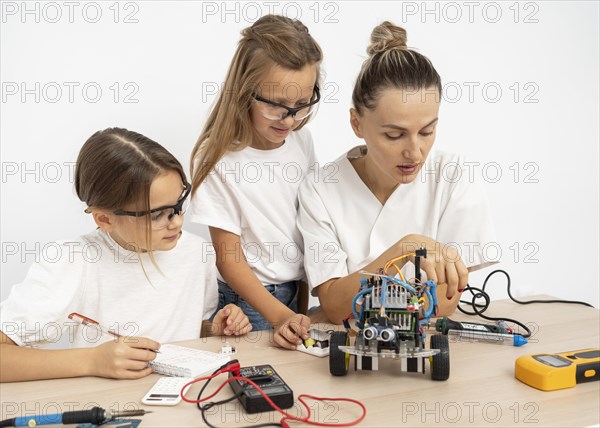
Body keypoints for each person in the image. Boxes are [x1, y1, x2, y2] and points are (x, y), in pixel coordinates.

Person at [0, 128, 251, 382]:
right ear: (105, 219)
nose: (176, 222)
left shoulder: (196, 252)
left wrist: (214, 329)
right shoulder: (72, 261)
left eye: (179, 204)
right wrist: (92, 360)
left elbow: (185, 328)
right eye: (157, 215)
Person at [297, 22, 497, 324]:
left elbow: (445, 302)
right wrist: (406, 248)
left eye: (428, 131)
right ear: (357, 123)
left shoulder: (452, 175)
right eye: (394, 135)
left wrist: (356, 294)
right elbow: (337, 307)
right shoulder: (321, 188)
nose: (415, 152)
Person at [189, 15, 322, 349]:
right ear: (245, 91)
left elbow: (308, 223)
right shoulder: (218, 158)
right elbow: (229, 259)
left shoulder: (301, 143)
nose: (290, 118)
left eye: (302, 104)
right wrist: (279, 317)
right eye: (276, 105)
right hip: (250, 304)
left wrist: (299, 307)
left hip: (294, 295)